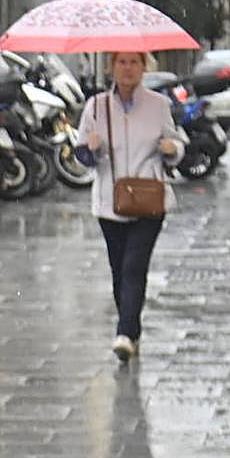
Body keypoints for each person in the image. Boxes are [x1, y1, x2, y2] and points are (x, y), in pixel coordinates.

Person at [74, 51, 183, 362]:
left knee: (135, 266)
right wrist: (89, 150)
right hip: (110, 200)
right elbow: (82, 157)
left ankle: (124, 332)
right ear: (111, 67)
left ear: (144, 67)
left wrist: (172, 148)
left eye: (135, 62)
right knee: (119, 271)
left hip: (149, 199)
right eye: (121, 62)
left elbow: (177, 143)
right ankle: (131, 328)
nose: (128, 68)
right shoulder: (96, 106)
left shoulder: (159, 105)